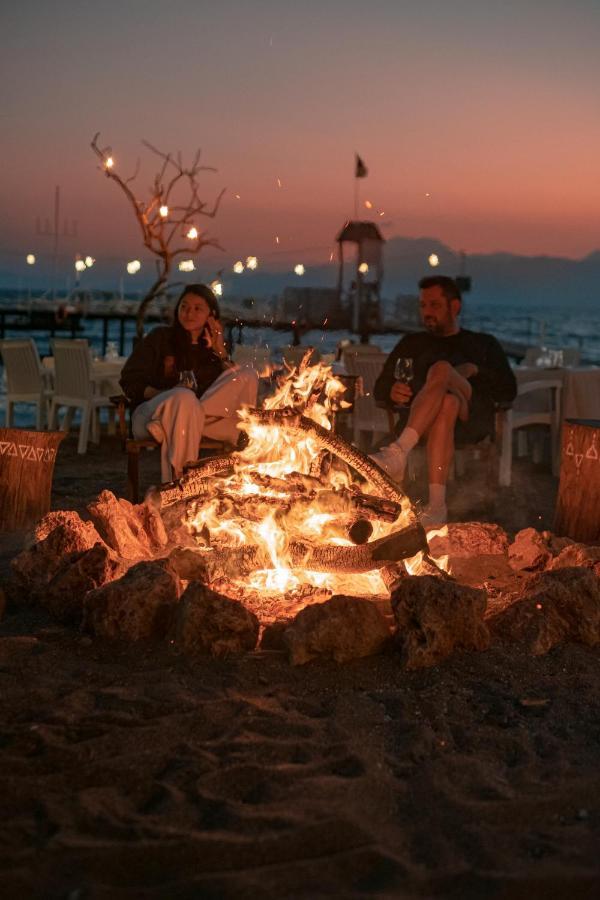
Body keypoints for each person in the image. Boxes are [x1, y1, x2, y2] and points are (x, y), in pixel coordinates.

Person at [371, 275, 517, 526]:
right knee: (446, 403)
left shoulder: (482, 344)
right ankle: (437, 507)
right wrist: (391, 390)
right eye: (423, 306)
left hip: (469, 421)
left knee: (441, 369)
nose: (427, 312)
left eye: (435, 305)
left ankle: (399, 451)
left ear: (455, 306)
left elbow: (508, 389)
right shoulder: (411, 344)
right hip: (426, 422)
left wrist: (474, 369)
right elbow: (381, 386)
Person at [120, 283, 258, 482]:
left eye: (197, 308)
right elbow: (130, 379)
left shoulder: (212, 352)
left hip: (190, 421)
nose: (188, 313)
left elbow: (231, 391)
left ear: (211, 315)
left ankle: (184, 418)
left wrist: (220, 350)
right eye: (184, 306)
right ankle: (180, 483)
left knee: (247, 375)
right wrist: (166, 396)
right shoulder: (160, 337)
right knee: (184, 397)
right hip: (149, 416)